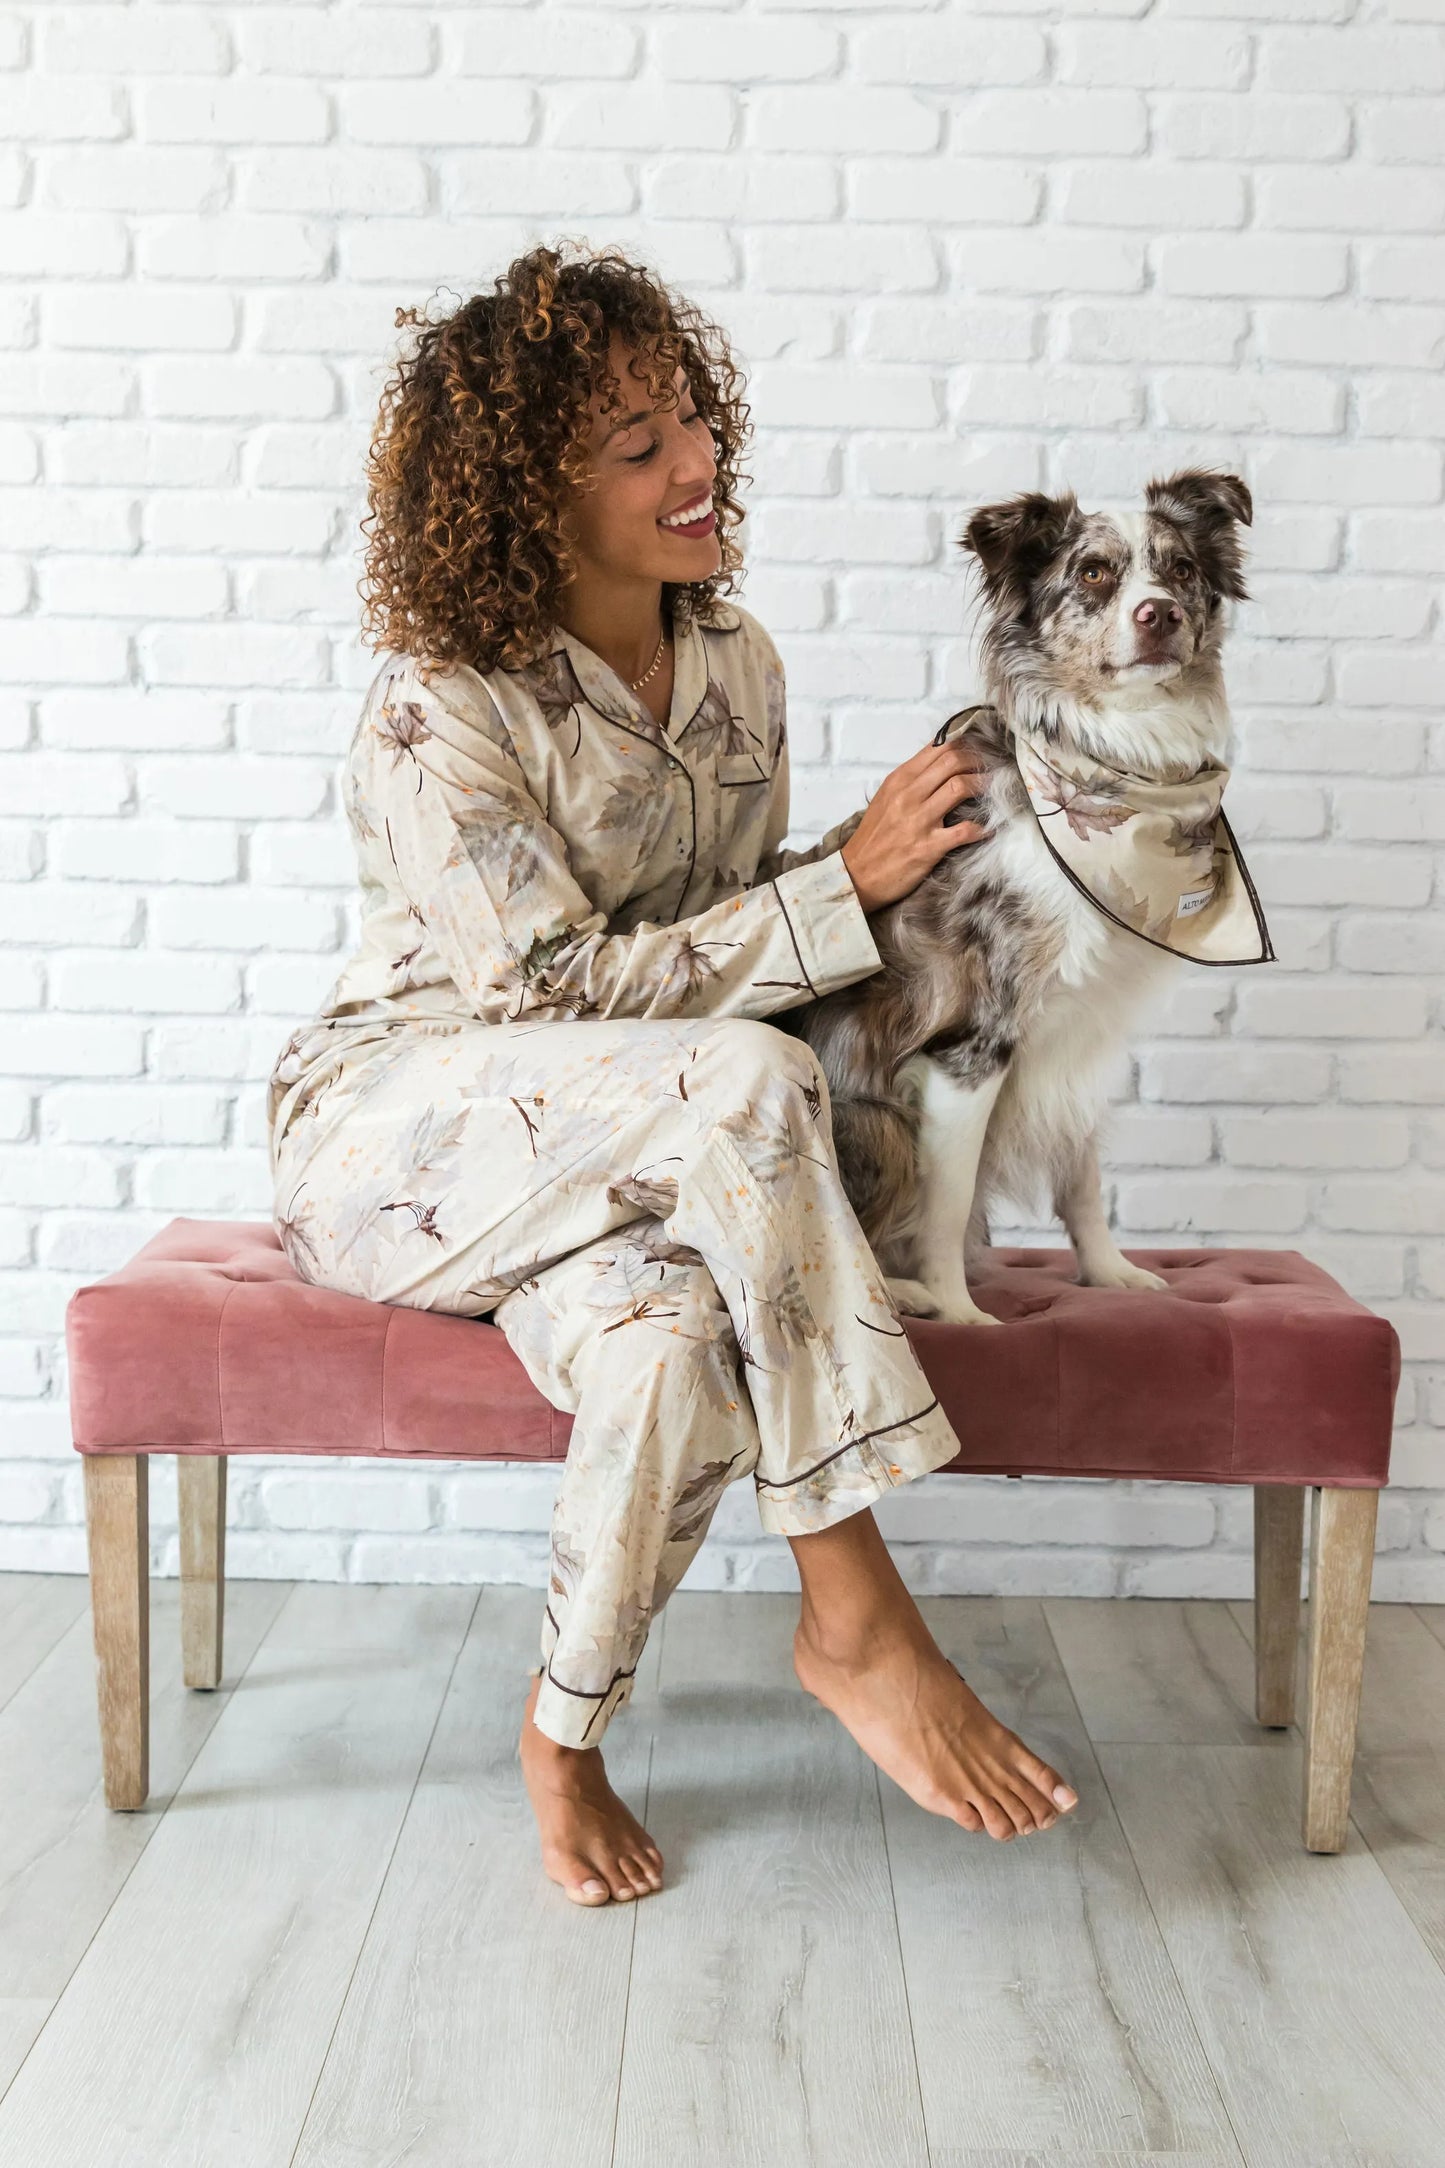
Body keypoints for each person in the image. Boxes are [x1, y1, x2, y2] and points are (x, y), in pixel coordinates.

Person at [267, 242, 1078, 1909]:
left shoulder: (737, 668)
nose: (696, 463)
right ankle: (856, 1614)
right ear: (523, 493)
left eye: (693, 420)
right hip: (404, 1131)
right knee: (730, 1083)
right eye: (637, 447)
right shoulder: (442, 708)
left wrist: (912, 866)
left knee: (673, 1345)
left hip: (641, 1140)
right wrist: (829, 889)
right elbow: (544, 991)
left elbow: (719, 926)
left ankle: (560, 1735)